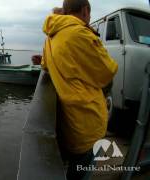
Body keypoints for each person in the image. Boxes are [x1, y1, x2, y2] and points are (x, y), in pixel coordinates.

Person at [41, 0, 118, 179]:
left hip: (69, 123)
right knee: (81, 172)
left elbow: (45, 65)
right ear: (85, 10)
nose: (89, 18)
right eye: (89, 14)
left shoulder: (50, 36)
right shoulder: (81, 34)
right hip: (87, 123)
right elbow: (108, 72)